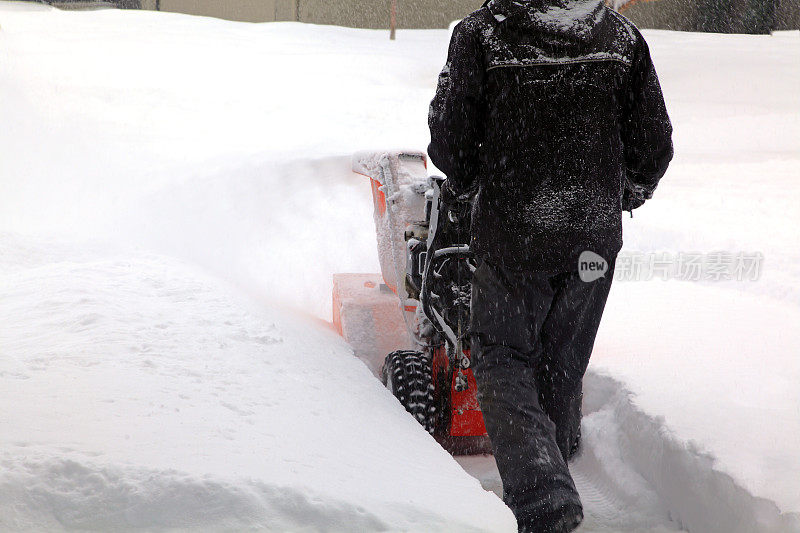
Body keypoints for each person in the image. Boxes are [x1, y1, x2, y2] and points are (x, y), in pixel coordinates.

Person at [427, 0, 673, 531]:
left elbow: (449, 144)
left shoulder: (484, 35)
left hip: (514, 236)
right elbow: (654, 147)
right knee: (562, 361)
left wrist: (473, 188)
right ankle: (555, 467)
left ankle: (544, 499)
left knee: (501, 359)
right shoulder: (621, 39)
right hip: (592, 245)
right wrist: (615, 197)